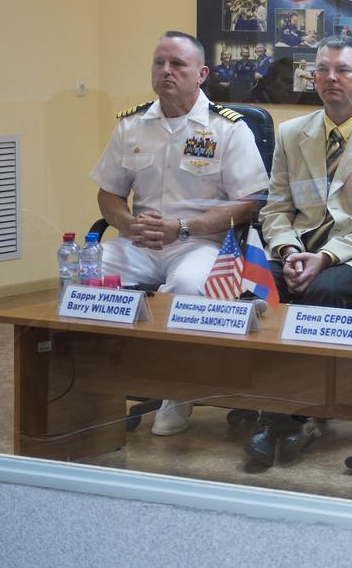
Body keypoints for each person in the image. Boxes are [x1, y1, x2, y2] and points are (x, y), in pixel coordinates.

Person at [250, 35, 352, 470]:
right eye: (321, 69)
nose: (330, 78)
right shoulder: (292, 133)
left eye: (342, 70)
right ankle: (277, 412)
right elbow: (277, 208)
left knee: (320, 293)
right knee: (255, 287)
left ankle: (288, 416)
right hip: (298, 245)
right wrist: (288, 250)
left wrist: (324, 258)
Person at [90, 31, 267, 437]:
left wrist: (184, 227)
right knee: (88, 272)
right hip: (142, 241)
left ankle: (178, 392)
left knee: (188, 286)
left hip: (200, 243)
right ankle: (97, 388)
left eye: (177, 64)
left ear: (201, 73)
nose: (166, 71)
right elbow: (108, 194)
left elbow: (250, 202)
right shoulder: (131, 125)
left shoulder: (227, 129)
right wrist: (127, 224)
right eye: (159, 63)